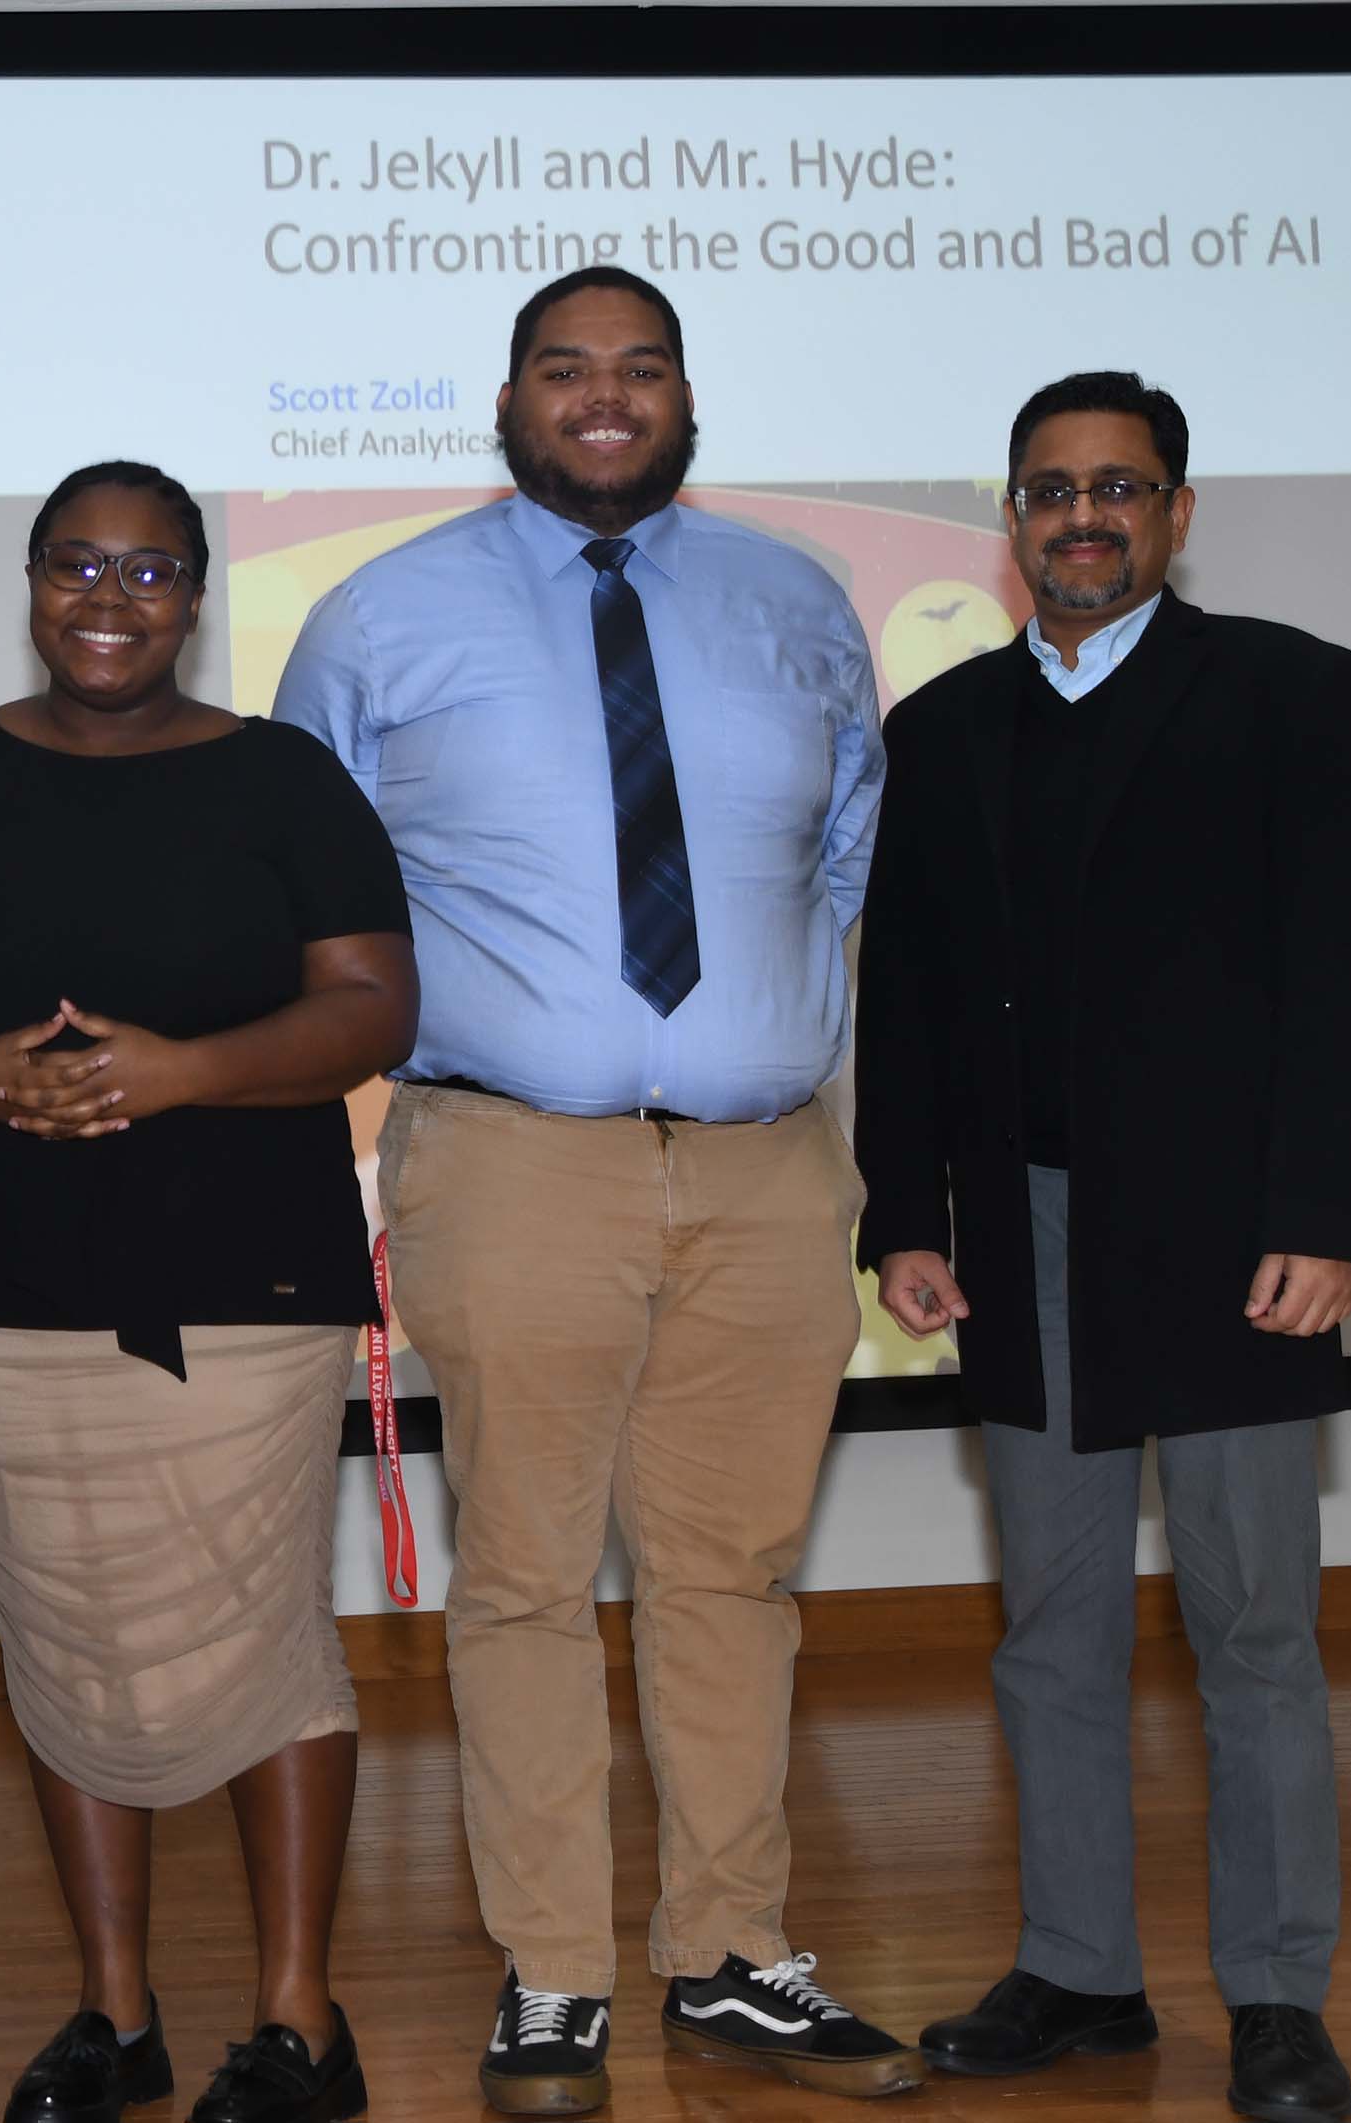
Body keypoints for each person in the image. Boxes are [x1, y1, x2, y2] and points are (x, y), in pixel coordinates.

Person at [274, 266, 924, 2113]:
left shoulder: (796, 604)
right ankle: (552, 1972)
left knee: (735, 1574)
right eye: (567, 369)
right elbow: (309, 890)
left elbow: (847, 867)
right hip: (507, 1161)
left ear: (687, 396)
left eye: (640, 368)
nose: (605, 397)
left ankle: (732, 1954)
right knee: (530, 1582)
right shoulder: (379, 617)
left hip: (769, 1176)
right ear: (509, 397)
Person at [856, 372, 1351, 2123]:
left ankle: (1275, 1992)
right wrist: (903, 1216)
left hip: (1239, 1237)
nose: (1082, 515)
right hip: (1018, 1236)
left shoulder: (1295, 693)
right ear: (1009, 519)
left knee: (1253, 1627)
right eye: (1049, 490)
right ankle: (1082, 1968)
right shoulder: (941, 730)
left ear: (1177, 512)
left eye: (1120, 487)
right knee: (1054, 1626)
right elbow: (915, 1002)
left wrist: (1330, 1218)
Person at [0, 462, 416, 2123]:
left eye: (148, 570)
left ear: (196, 596)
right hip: (4, 1281)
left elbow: (372, 1010)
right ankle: (114, 2021)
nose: (109, 600)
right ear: (31, 581)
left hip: (243, 1277)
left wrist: (187, 1069)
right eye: (77, 566)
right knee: (67, 1640)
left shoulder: (284, 778)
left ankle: (298, 2025)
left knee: (257, 1633)